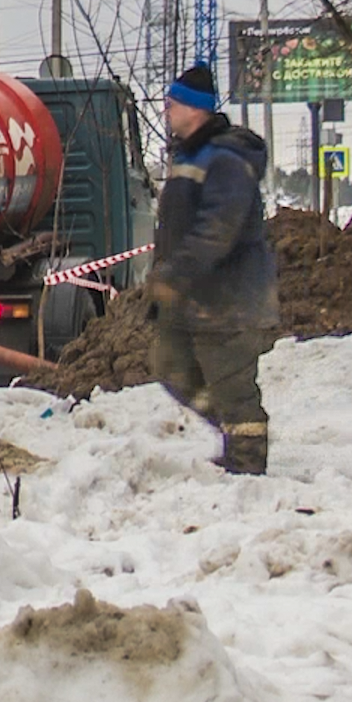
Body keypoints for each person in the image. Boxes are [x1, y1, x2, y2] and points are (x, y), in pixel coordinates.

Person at [147, 64, 280, 475]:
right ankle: (236, 435)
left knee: (233, 385)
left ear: (195, 109)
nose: (167, 110)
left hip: (230, 298)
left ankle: (248, 462)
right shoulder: (192, 156)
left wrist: (174, 277)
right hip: (196, 298)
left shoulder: (225, 159)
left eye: (173, 103)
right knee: (169, 364)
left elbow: (218, 230)